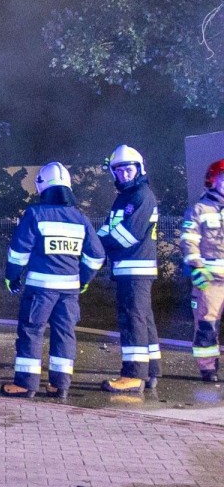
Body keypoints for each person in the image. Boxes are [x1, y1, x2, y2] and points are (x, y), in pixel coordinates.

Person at [1, 162, 105, 399]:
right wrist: (84, 279)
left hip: (40, 291)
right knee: (65, 334)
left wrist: (12, 276)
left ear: (42, 187)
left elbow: (18, 251)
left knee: (31, 332)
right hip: (69, 291)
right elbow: (96, 255)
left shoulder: (35, 214)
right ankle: (60, 385)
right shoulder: (80, 218)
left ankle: (26, 384)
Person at [98, 145, 161, 393]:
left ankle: (134, 375)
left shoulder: (141, 196)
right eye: (119, 170)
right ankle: (151, 370)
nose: (124, 174)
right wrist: (94, 241)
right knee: (143, 319)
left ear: (139, 169)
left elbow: (127, 235)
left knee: (133, 319)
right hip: (129, 269)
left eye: (128, 169)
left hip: (135, 269)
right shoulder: (124, 197)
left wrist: (98, 246)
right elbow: (107, 228)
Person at [181, 159, 224, 382]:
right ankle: (208, 369)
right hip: (209, 278)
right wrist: (196, 267)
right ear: (213, 180)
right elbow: (189, 241)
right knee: (207, 324)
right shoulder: (199, 209)